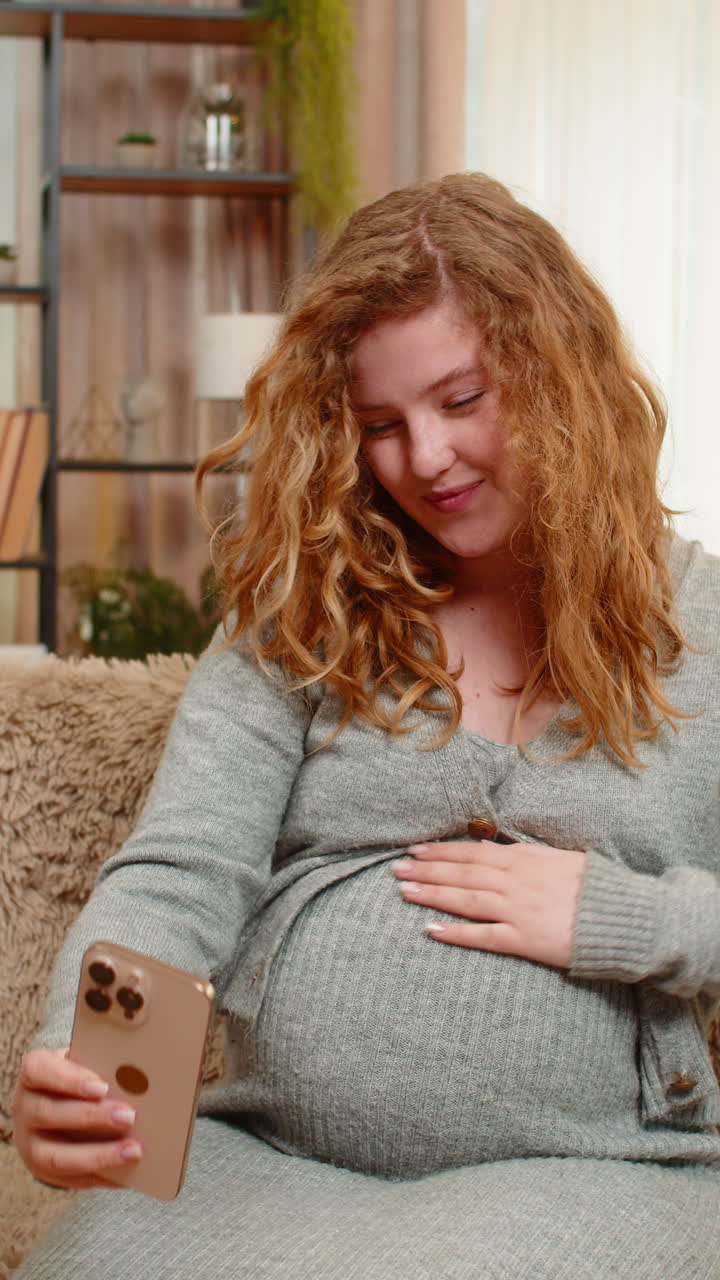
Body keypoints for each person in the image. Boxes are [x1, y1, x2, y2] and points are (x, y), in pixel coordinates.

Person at [11, 172, 720, 1279]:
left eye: (463, 398)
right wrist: (94, 1066)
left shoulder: (704, 621)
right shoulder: (304, 603)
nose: (424, 459)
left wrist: (627, 916)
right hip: (267, 1154)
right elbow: (186, 867)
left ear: (559, 374)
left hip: (592, 1164)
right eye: (381, 424)